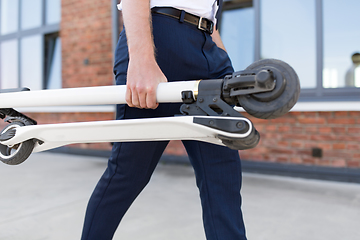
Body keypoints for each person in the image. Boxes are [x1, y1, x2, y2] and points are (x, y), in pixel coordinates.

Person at [81, 0, 247, 239]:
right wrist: (141, 60)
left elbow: (207, 14)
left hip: (208, 48)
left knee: (223, 178)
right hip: (159, 39)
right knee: (129, 172)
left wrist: (229, 73)